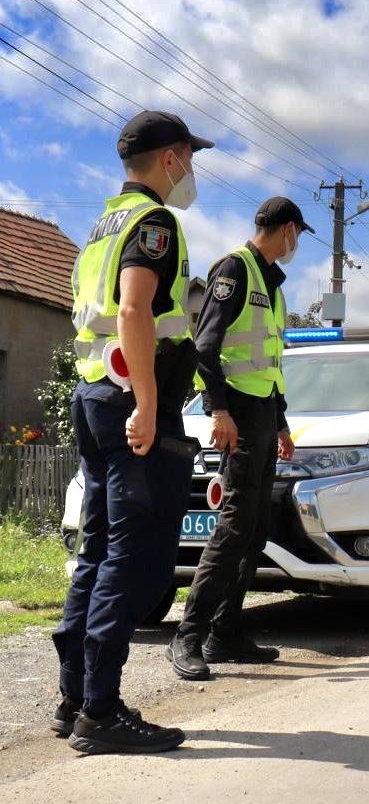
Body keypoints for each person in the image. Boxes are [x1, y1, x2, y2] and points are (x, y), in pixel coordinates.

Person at [53, 110, 213, 754]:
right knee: (133, 554)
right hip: (128, 403)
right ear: (172, 158)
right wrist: (147, 401)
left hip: (93, 395)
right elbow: (134, 307)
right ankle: (101, 711)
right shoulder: (155, 222)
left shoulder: (100, 226)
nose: (192, 171)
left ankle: (74, 702)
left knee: (96, 551)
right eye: (190, 158)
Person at [167, 197, 312, 680]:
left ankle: (225, 632)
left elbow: (270, 363)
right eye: (298, 235)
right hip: (239, 414)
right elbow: (204, 346)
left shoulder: (275, 286)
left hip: (264, 414)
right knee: (233, 527)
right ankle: (188, 634)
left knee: (254, 529)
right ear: (288, 229)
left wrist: (282, 424)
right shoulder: (235, 268)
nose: (296, 245)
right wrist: (220, 409)